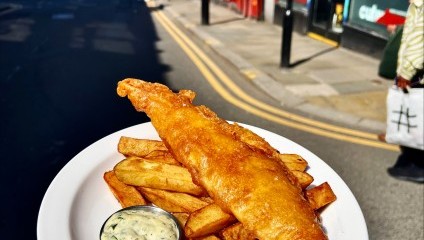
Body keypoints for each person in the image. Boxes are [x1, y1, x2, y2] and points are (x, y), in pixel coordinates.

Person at [382, 0, 424, 183]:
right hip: (415, 74)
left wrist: (406, 73)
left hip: (416, 75)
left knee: (416, 117)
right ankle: (410, 158)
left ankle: (418, 166)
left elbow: (419, 43)